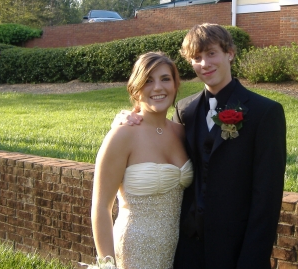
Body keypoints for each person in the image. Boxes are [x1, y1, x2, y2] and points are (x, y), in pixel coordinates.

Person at [114, 23, 287, 268]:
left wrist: (252, 260)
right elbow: (162, 144)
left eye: (211, 53)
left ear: (230, 53)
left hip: (236, 252)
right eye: (197, 58)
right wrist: (125, 117)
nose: (204, 64)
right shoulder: (186, 110)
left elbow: (267, 199)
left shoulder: (265, 113)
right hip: (186, 250)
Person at [91, 52, 193, 269]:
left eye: (165, 79)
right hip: (134, 251)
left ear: (175, 85)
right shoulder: (122, 135)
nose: (157, 87)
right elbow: (101, 207)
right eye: (148, 80)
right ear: (135, 88)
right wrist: (107, 264)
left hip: (177, 251)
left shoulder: (182, 133)